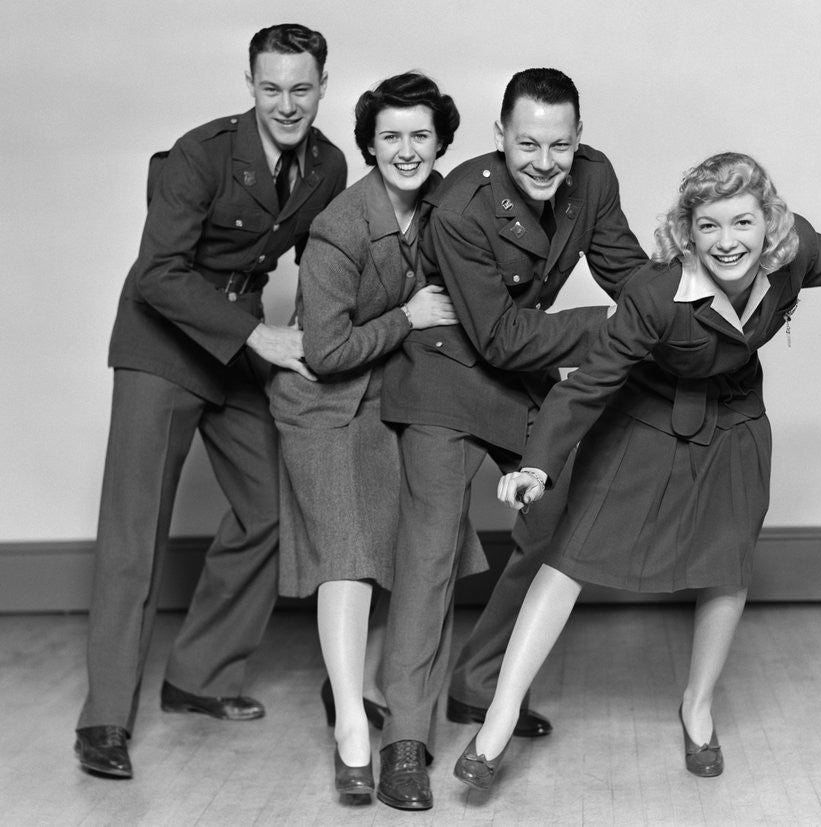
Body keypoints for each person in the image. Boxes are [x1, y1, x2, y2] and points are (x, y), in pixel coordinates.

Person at [456, 151, 821, 790]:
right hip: (645, 418)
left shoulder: (792, 256)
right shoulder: (656, 295)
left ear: (770, 225)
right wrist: (539, 469)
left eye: (742, 223)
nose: (727, 241)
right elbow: (586, 386)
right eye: (708, 225)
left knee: (727, 563)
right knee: (568, 555)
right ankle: (499, 718)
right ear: (689, 231)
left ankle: (698, 708)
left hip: (734, 422)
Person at [74, 23, 348, 780]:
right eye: (271, 87)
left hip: (236, 348)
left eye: (301, 88)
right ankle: (103, 719)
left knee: (270, 508)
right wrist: (259, 337)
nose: (286, 103)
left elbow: (326, 265)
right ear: (250, 84)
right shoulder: (199, 153)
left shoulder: (327, 165)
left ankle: (198, 675)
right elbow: (158, 274)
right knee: (133, 534)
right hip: (163, 342)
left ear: (323, 85)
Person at [376, 68, 648, 811]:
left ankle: (478, 682)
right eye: (527, 142)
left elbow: (629, 275)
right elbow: (497, 336)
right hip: (443, 373)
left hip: (516, 374)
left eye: (560, 144)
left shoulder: (592, 179)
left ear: (578, 139)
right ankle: (403, 738)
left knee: (554, 525)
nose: (544, 160)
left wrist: (698, 304)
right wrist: (606, 328)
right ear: (500, 138)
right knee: (431, 550)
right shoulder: (462, 204)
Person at [267, 72, 483, 803]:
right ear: (368, 144)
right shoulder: (340, 224)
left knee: (424, 547)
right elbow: (324, 352)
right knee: (350, 554)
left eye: (420, 134)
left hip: (391, 398)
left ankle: (363, 687)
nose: (406, 149)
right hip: (323, 405)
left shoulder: (452, 205)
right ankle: (352, 728)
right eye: (390, 135)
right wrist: (409, 318)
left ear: (441, 140)